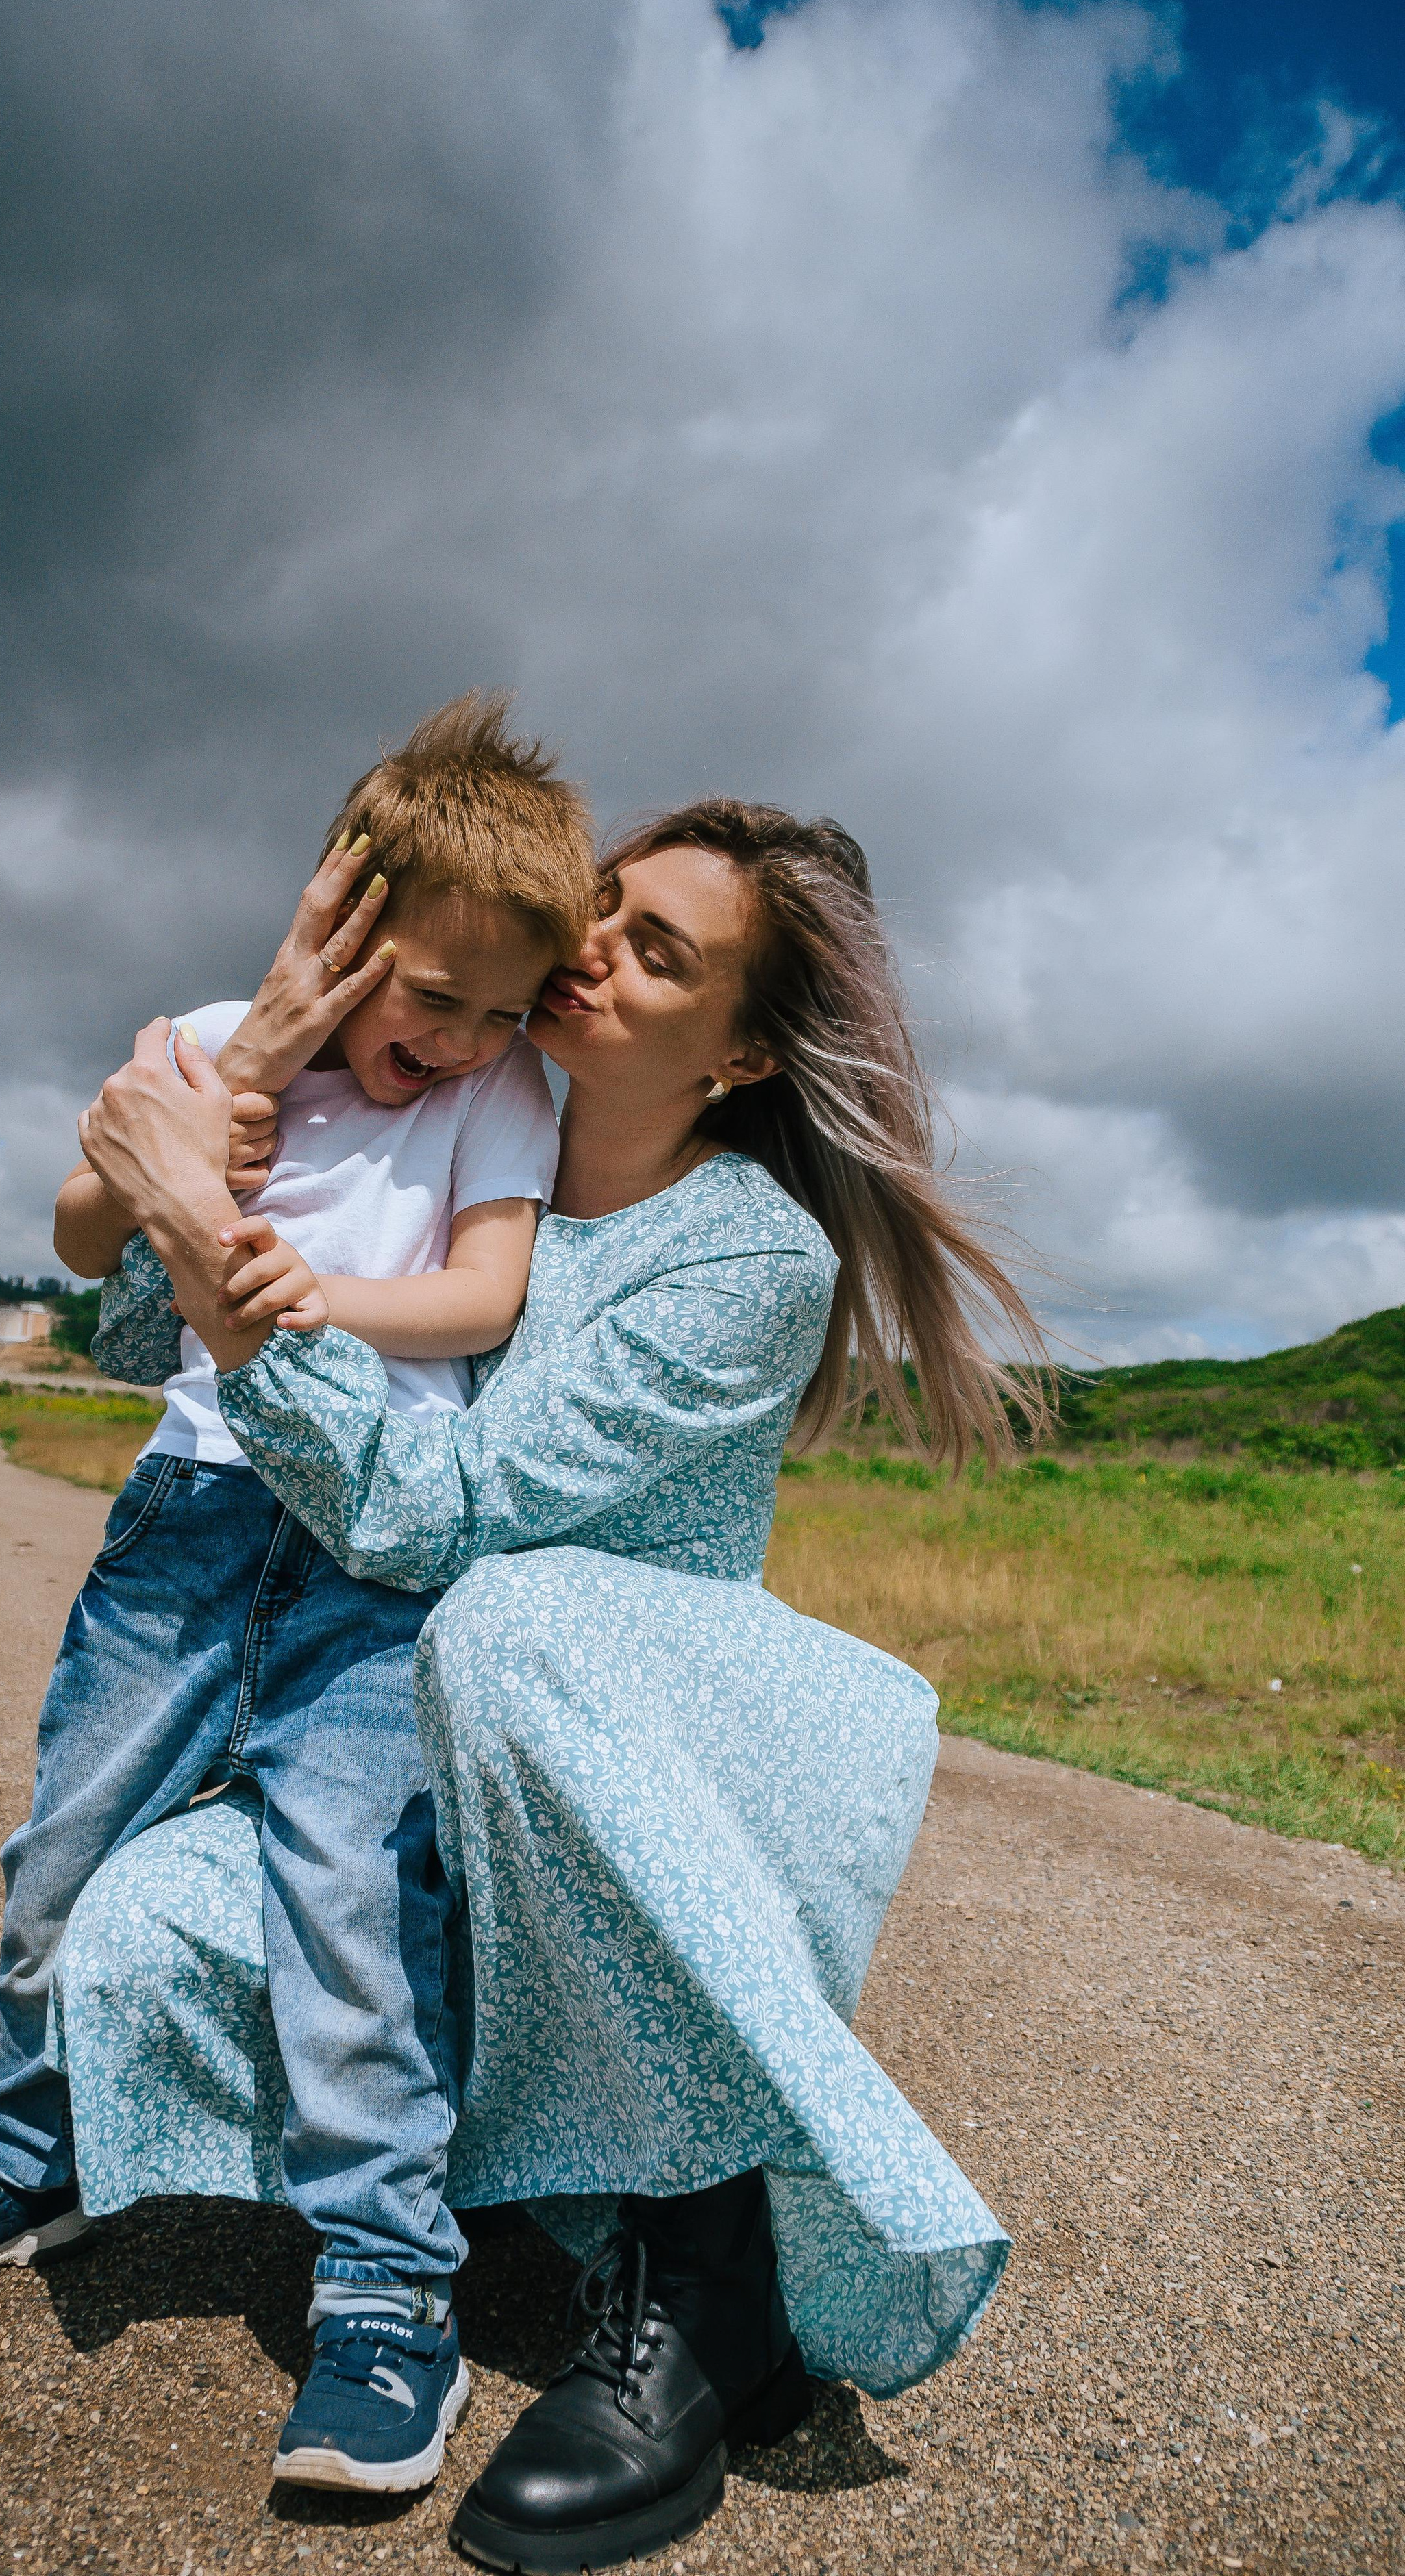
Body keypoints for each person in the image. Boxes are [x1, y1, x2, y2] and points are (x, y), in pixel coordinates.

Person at [64, 797, 1052, 2569]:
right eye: (601, 913)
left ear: (743, 1048)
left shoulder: (750, 1256)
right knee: (141, 1929)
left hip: (636, 1708)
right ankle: (510, 2163)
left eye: (660, 950)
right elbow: (135, 1339)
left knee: (505, 1620)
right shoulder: (422, 1113)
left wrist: (200, 1234)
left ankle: (706, 2258)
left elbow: (446, 1514)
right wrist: (239, 1103)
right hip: (418, 1730)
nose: (591, 949)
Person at [0, 699, 595, 2471]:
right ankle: (32, 2160)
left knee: (352, 1906)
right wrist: (243, 1075)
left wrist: (304, 1297)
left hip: (370, 1549)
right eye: (433, 991)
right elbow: (84, 1238)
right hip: (188, 1517)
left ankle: (390, 2293)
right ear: (344, 917)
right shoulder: (201, 1039)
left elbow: (483, 1298)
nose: (463, 1036)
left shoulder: (508, 1093)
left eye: (501, 1008)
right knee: (62, 1860)